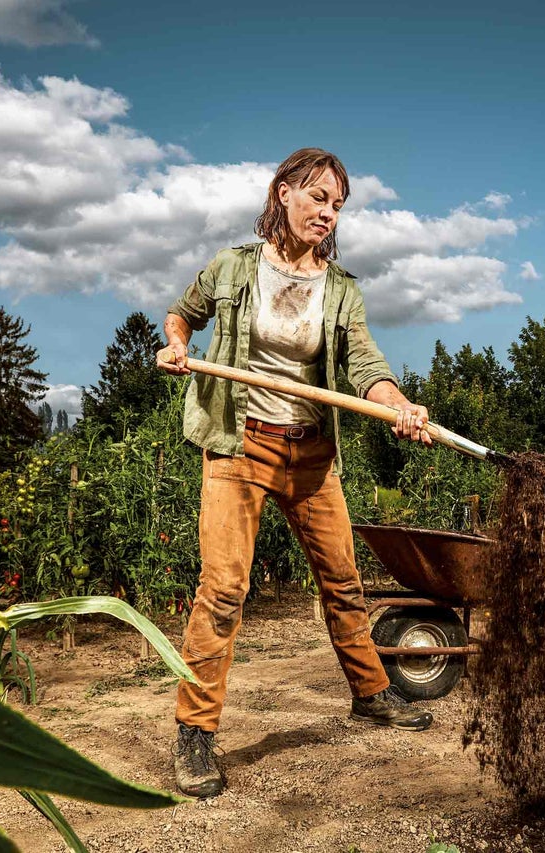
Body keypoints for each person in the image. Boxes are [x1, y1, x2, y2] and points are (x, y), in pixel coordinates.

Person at [158, 148, 435, 799]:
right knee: (224, 588)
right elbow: (182, 313)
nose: (327, 212)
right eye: (317, 196)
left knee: (342, 579)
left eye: (337, 204)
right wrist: (177, 345)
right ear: (283, 193)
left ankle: (371, 693)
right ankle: (195, 732)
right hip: (238, 445)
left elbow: (365, 362)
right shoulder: (233, 267)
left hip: (310, 454)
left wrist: (397, 403)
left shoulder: (340, 289)